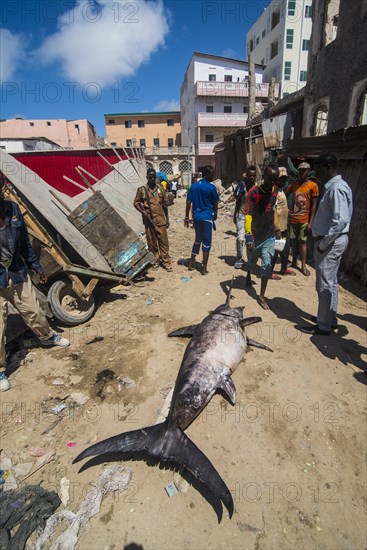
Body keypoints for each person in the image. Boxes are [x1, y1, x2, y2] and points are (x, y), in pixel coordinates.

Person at [0, 181, 70, 392]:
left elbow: (23, 243)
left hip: (16, 272)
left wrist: (36, 267)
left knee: (33, 311)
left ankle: (47, 337)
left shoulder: (12, 209)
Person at [301, 153, 353, 335]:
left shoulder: (336, 188)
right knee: (331, 282)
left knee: (324, 283)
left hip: (330, 241)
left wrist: (324, 243)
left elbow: (340, 221)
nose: (318, 174)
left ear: (329, 168)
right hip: (333, 240)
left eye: (320, 169)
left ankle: (323, 325)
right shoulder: (336, 186)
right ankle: (329, 319)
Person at [245, 164, 281, 310]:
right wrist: (248, 236)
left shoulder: (276, 191)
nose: (272, 182)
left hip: (269, 235)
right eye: (269, 179)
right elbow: (248, 214)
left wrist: (277, 228)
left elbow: (274, 211)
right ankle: (248, 274)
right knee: (252, 261)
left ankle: (261, 295)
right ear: (263, 177)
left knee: (266, 264)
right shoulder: (253, 192)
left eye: (274, 179)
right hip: (255, 234)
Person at [134, 169, 172, 272]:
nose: (152, 179)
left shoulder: (160, 188)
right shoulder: (142, 190)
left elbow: (165, 205)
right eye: (150, 177)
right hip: (149, 221)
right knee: (152, 242)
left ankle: (166, 262)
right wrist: (143, 212)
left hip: (160, 219)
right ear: (146, 177)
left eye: (153, 177)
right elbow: (136, 203)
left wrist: (167, 219)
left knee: (164, 242)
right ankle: (155, 260)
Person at [184, 165, 219, 275]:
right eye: (212, 175)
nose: (213, 177)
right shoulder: (211, 187)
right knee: (207, 242)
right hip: (207, 217)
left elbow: (188, 202)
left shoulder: (193, 186)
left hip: (197, 217)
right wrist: (215, 214)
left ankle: (191, 263)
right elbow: (215, 202)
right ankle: (204, 268)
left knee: (197, 239)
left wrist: (186, 217)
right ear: (207, 175)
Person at [286, 161, 319, 276]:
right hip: (293, 219)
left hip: (304, 220)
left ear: (308, 172)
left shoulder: (313, 186)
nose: (301, 173)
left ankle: (303, 265)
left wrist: (311, 222)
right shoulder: (294, 185)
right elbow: (284, 195)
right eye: (299, 171)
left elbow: (314, 205)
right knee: (293, 242)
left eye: (303, 171)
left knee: (303, 242)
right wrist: (287, 209)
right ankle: (294, 261)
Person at [271, 167, 295, 277]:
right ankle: (269, 271)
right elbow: (273, 210)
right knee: (275, 251)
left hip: (284, 226)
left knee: (285, 250)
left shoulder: (280, 190)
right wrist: (277, 229)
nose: (283, 181)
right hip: (278, 227)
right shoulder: (274, 191)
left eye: (284, 179)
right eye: (281, 179)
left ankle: (284, 269)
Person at [233, 165, 256, 269]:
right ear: (247, 175)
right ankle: (239, 258)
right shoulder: (242, 186)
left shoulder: (257, 188)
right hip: (242, 215)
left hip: (252, 217)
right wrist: (235, 214)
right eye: (250, 175)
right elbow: (238, 200)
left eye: (253, 176)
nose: (252, 177)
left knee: (250, 239)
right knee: (240, 238)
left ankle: (250, 260)